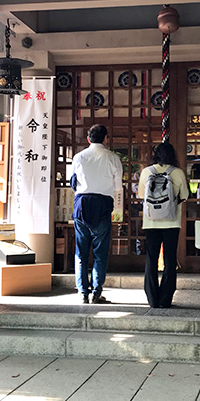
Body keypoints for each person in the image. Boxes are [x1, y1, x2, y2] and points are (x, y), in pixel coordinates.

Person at [70, 124, 123, 304]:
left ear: (88, 139)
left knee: (81, 251)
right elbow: (117, 187)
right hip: (102, 204)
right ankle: (96, 293)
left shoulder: (79, 157)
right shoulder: (113, 158)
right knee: (100, 252)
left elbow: (73, 182)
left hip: (82, 203)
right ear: (106, 138)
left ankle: (83, 292)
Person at [137, 143, 189, 308]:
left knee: (151, 259)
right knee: (170, 259)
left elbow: (140, 194)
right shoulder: (177, 172)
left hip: (151, 222)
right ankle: (165, 299)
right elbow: (185, 195)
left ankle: (152, 298)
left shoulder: (147, 172)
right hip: (171, 222)